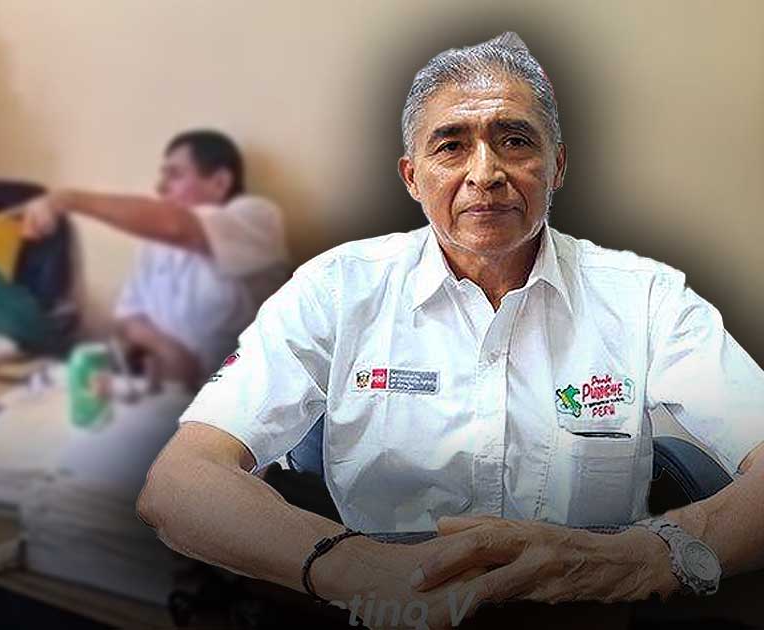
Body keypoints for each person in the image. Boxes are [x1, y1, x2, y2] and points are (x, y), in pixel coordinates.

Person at [137, 33, 764, 627]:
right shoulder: (337, 289)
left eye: (514, 140)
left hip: (581, 613)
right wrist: (351, 567)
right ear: (413, 177)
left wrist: (642, 559)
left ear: (557, 166)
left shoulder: (644, 297)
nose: (485, 172)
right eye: (451, 146)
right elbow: (180, 481)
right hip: (386, 611)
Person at [20, 130, 290, 391]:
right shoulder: (156, 239)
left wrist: (67, 199)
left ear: (220, 183)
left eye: (175, 175)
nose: (160, 187)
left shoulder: (257, 218)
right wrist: (169, 351)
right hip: (167, 392)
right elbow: (129, 315)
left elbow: (177, 226)